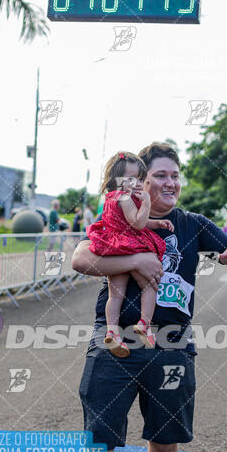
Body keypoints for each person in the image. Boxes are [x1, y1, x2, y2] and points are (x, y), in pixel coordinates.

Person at [61, 142, 227, 452]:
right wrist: (136, 259)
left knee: (165, 439)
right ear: (140, 182)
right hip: (114, 342)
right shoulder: (118, 213)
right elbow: (79, 256)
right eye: (160, 176)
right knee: (98, 440)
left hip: (171, 345)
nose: (170, 183)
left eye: (175, 175)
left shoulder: (192, 224)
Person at [86, 151, 173, 356]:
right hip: (131, 245)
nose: (137, 183)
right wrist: (147, 204)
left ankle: (112, 333)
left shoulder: (110, 198)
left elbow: (131, 221)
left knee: (115, 295)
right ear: (116, 179)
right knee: (149, 285)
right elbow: (137, 223)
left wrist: (157, 223)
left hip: (113, 249)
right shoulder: (126, 199)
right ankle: (144, 324)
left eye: (140, 179)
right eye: (131, 178)